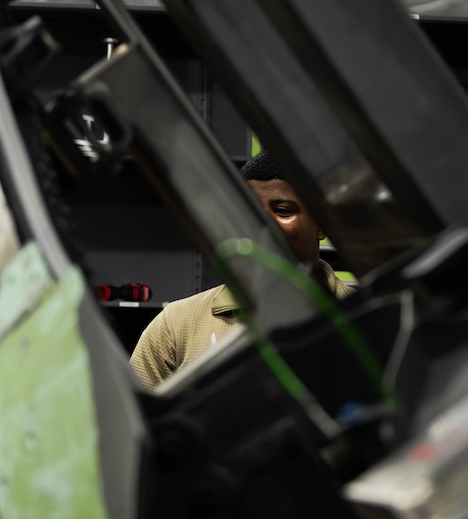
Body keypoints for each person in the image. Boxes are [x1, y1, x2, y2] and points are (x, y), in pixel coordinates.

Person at [129, 153, 352, 389]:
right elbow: (131, 409)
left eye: (283, 210)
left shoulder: (364, 313)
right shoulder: (176, 325)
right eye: (250, 212)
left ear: (322, 225)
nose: (262, 226)